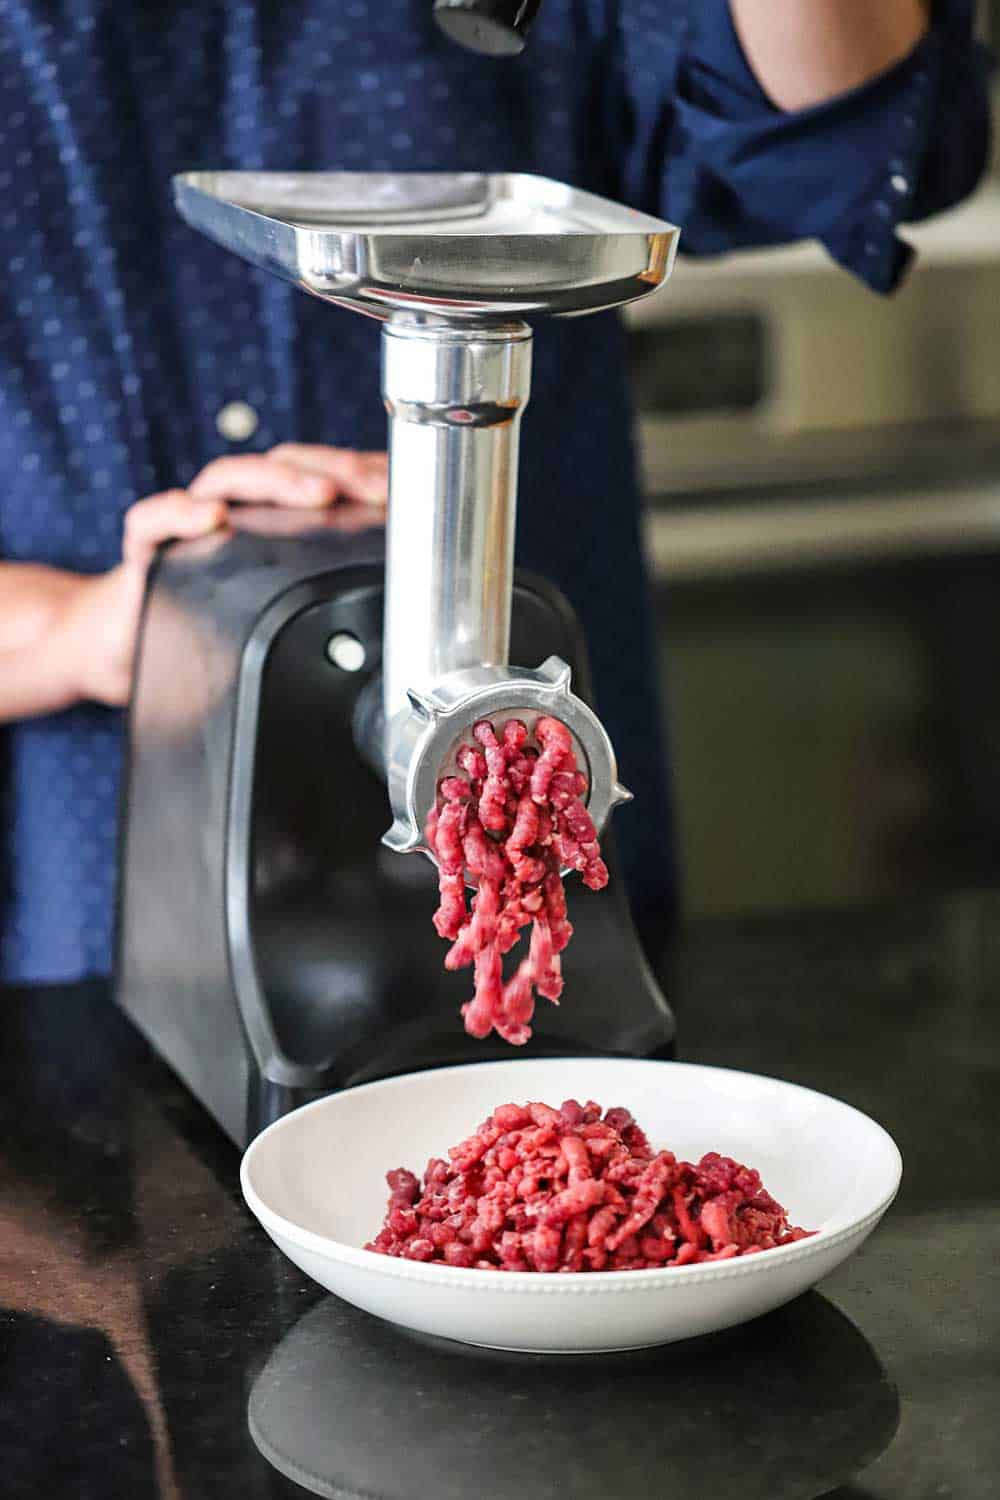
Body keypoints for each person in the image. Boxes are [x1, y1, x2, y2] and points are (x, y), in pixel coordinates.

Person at [0, 0, 992, 985]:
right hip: (76, 896)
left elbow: (851, 146)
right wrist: (75, 631)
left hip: (531, 828)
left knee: (554, 1108)